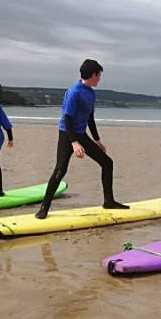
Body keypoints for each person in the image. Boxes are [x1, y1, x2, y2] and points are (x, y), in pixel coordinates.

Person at [35, 59, 129, 219]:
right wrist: (74, 143)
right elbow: (67, 119)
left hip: (81, 134)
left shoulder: (91, 92)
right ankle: (44, 208)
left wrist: (97, 140)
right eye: (99, 75)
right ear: (94, 75)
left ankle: (109, 201)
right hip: (67, 134)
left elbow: (90, 117)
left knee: (107, 163)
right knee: (60, 170)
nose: (100, 78)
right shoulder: (74, 92)